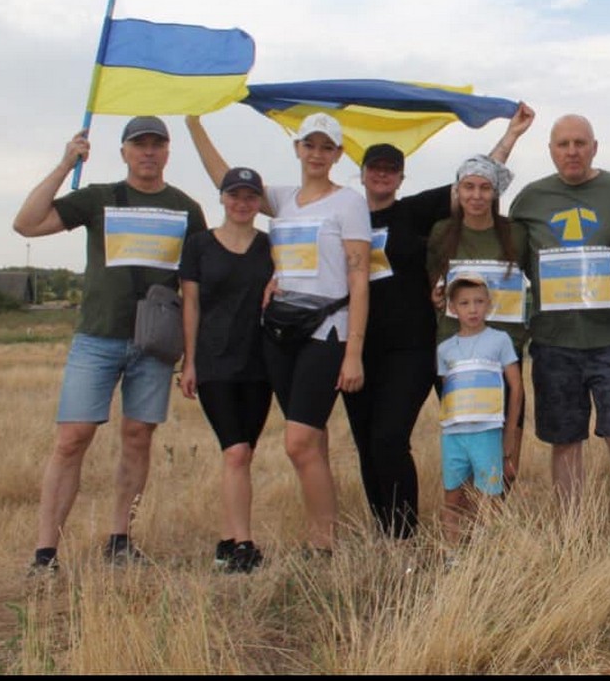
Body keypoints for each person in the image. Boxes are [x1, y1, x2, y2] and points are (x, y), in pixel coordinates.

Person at [14, 116, 207, 572]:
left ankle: (120, 540)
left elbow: (198, 285)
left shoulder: (186, 209)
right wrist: (66, 163)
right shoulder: (98, 197)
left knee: (138, 438)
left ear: (167, 152)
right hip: (97, 338)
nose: (148, 152)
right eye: (139, 144)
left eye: (157, 144)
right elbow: (27, 224)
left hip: (155, 344)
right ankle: (45, 553)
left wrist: (194, 356)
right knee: (71, 439)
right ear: (123, 152)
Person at [346, 102, 535, 540]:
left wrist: (511, 136)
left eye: (391, 169)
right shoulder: (343, 216)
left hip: (416, 344)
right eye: (375, 168)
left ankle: (466, 529)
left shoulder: (414, 213)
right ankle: (390, 534)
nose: (382, 175)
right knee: (369, 445)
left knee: (408, 438)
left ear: (401, 176)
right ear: (362, 173)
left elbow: (478, 180)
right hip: (360, 346)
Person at [185, 113, 371, 554]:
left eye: (327, 147)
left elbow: (359, 278)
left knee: (298, 441)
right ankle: (323, 534)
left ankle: (323, 545)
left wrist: (353, 352)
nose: (317, 154)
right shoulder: (284, 200)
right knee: (313, 441)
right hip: (280, 334)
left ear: (339, 154)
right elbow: (226, 179)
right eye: (310, 145)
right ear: (297, 149)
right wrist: (194, 122)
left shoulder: (349, 203)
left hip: (327, 332)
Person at [510, 114, 610, 532]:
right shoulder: (530, 199)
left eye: (579, 143)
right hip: (554, 341)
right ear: (551, 150)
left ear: (594, 146)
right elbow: (509, 262)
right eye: (562, 144)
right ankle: (573, 527)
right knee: (565, 439)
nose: (571, 151)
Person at [178, 166, 275, 573]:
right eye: (234, 195)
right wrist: (189, 360)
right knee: (234, 450)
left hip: (259, 363)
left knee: (243, 454)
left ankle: (226, 537)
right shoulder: (199, 245)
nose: (242, 203)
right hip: (214, 362)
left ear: (259, 203)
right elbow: (191, 304)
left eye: (250, 196)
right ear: (221, 198)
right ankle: (244, 546)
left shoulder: (271, 246)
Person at [427, 154, 528, 486]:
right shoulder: (442, 232)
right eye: (468, 187)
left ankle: (496, 527)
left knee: (503, 445)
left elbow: (535, 283)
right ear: (457, 190)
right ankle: (467, 527)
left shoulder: (516, 234)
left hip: (503, 348)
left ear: (495, 192)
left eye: (485, 188)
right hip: (458, 353)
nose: (476, 195)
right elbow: (435, 286)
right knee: (465, 441)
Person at [435, 273, 523, 553]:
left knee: (489, 496)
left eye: (478, 302)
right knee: (453, 495)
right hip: (454, 435)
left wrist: (509, 433)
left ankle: (490, 553)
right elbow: (448, 390)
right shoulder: (445, 348)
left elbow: (516, 387)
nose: (472, 309)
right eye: (464, 303)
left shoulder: (500, 341)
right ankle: (453, 553)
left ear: (489, 304)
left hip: (487, 432)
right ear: (452, 307)